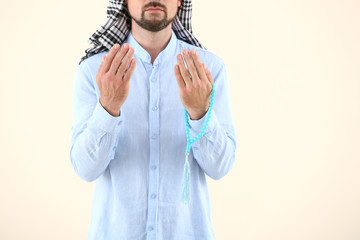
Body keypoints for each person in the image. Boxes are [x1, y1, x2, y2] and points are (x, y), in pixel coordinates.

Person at [70, 0, 237, 239]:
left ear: (180, 1)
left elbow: (220, 168)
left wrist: (200, 114)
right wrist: (108, 108)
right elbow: (86, 170)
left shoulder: (208, 70)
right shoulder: (95, 71)